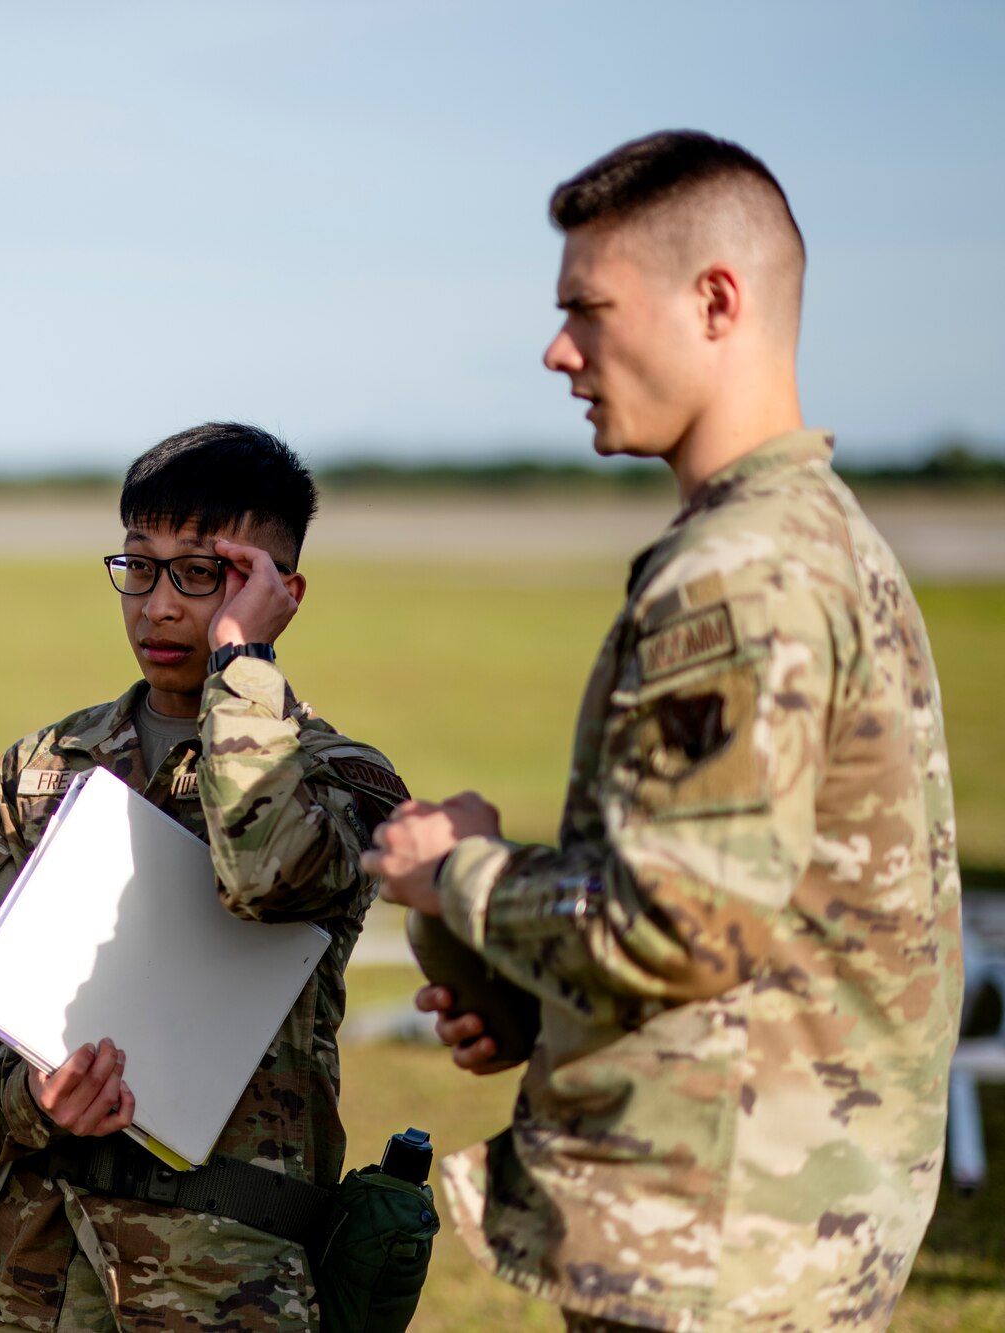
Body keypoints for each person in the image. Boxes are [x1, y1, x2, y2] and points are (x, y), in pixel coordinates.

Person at [366, 131, 962, 1331]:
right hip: (781, 1222)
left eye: (586, 307)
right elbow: (770, 914)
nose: (556, 349)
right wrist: (540, 1000)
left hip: (722, 1247)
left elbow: (677, 920)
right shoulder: (817, 534)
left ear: (715, 301)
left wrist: (453, 875)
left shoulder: (735, 575)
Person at [0, 423, 410, 1332]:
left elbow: (267, 876)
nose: (157, 606)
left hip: (224, 1288)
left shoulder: (341, 778)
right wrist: (30, 1100)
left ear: (279, 592)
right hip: (30, 1278)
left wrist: (242, 665)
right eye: (138, 567)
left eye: (202, 573)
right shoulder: (45, 768)